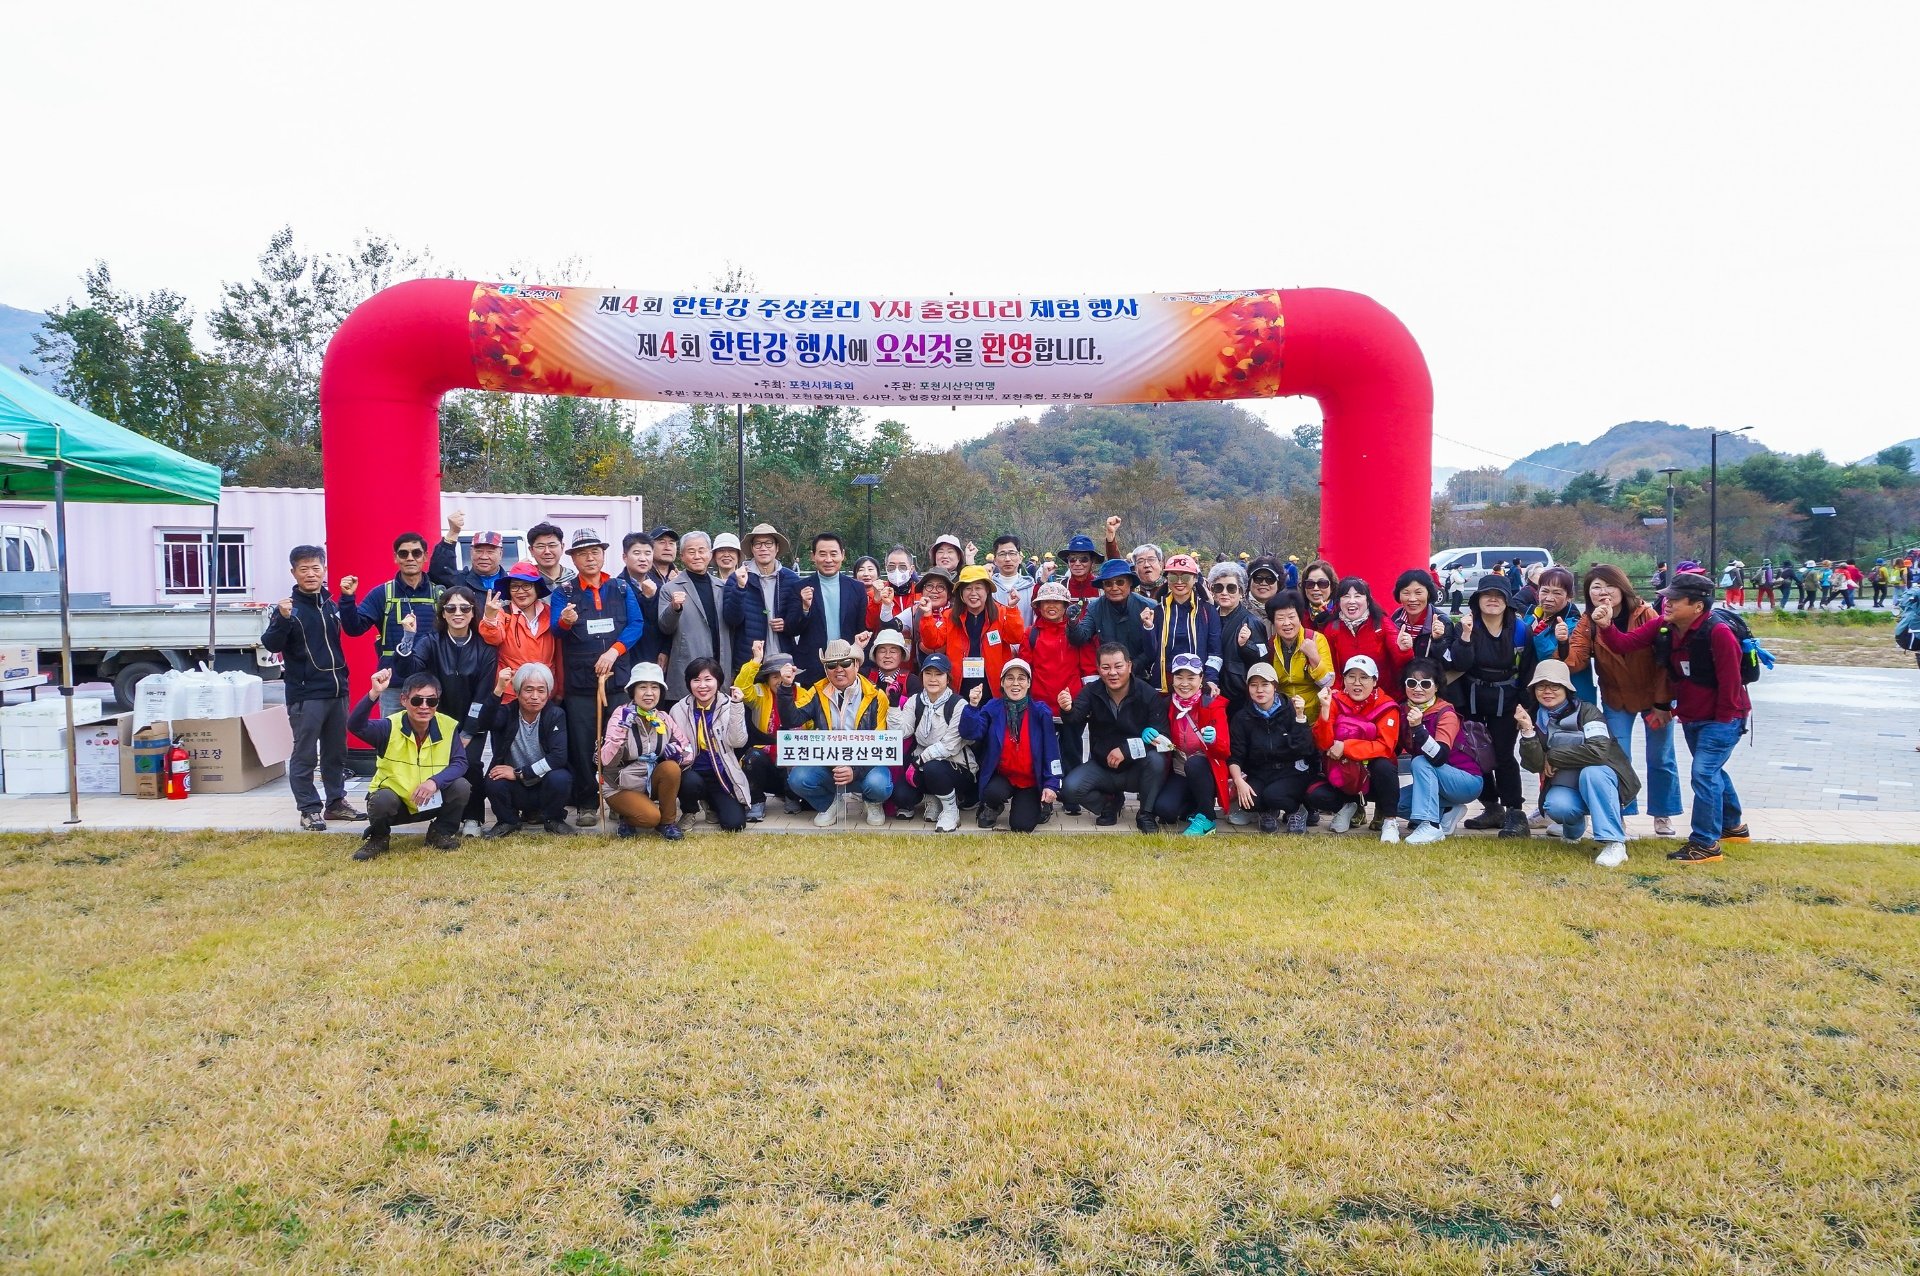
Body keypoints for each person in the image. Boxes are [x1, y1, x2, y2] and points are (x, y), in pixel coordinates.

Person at [1593, 571, 1751, 863]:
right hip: (1692, 717)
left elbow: (1730, 684)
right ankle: (1733, 826)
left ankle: (1705, 843)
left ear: (1698, 606)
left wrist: (1722, 724)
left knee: (1704, 774)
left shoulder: (1719, 633)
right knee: (1712, 772)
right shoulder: (1665, 626)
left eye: (1675, 600)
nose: (1666, 603)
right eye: (1667, 597)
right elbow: (1624, 644)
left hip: (1722, 718)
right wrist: (1605, 626)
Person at [1567, 564, 1682, 837]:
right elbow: (1575, 661)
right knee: (1619, 757)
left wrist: (1663, 703)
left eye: (1610, 585)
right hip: (1616, 695)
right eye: (1596, 587)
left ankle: (1663, 813)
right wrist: (1560, 645)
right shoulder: (1588, 622)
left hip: (1655, 696)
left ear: (1623, 588)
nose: (1603, 592)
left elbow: (1664, 662)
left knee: (1661, 756)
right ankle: (1622, 812)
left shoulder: (1645, 614)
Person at [262, 544, 360, 833]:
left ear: (324, 570)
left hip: (337, 690)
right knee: (305, 754)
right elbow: (271, 644)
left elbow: (350, 631)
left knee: (336, 753)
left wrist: (347, 598)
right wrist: (282, 619)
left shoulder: (330, 604)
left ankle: (336, 802)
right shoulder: (287, 608)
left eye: (316, 568)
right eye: (303, 569)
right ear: (293, 573)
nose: (310, 574)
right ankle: (309, 809)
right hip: (306, 694)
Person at [553, 528, 643, 827]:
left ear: (603, 555)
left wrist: (614, 651)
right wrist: (565, 621)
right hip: (580, 684)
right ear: (573, 558)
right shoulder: (564, 592)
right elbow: (555, 630)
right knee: (582, 745)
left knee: (619, 741)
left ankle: (619, 800)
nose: (589, 558)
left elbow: (636, 624)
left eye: (595, 552)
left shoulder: (621, 588)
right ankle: (587, 803)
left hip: (617, 680)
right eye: (582, 553)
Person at [391, 586, 498, 836]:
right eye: (451, 608)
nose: (457, 613)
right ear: (443, 613)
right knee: (438, 766)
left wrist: (468, 731)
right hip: (436, 719)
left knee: (471, 763)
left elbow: (483, 694)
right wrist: (408, 636)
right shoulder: (431, 642)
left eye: (464, 608)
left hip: (473, 720)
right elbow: (408, 671)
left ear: (473, 613)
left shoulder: (485, 647)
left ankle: (473, 818)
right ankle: (443, 816)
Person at [1516, 659, 1637, 867]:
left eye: (1555, 686)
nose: (1548, 691)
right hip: (1566, 785)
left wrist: (1553, 756)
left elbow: (1598, 751)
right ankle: (1573, 829)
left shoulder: (1588, 712)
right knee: (1556, 806)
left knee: (1593, 773)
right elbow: (1533, 765)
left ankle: (1615, 843)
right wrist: (1527, 731)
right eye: (1541, 686)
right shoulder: (1534, 717)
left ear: (1567, 689)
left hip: (1603, 780)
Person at [347, 669, 474, 860]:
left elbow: (460, 762)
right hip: (396, 805)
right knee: (382, 800)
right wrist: (374, 693)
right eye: (417, 700)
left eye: (431, 701)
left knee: (461, 786)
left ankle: (440, 833)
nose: (424, 706)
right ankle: (379, 838)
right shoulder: (389, 727)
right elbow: (355, 725)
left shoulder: (448, 726)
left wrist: (434, 782)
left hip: (429, 800)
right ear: (403, 700)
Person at [1444, 573, 1533, 838]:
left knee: (1504, 755)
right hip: (1471, 699)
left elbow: (1528, 670)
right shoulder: (1466, 626)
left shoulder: (1520, 630)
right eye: (1487, 595)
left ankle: (1515, 812)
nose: (1492, 600)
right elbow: (1459, 663)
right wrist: (1466, 635)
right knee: (1476, 754)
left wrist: (1525, 706)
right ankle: (1492, 807)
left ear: (1507, 601)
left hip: (1507, 700)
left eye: (1499, 596)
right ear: (1477, 599)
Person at [1058, 642, 1169, 832]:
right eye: (1106, 667)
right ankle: (1109, 804)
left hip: (1137, 768)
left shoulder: (1148, 693)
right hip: (1104, 767)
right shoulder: (1091, 691)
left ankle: (1146, 814)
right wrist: (1067, 709)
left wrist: (1126, 750)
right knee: (1070, 789)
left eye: (1118, 666)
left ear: (1129, 666)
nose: (1112, 673)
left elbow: (1163, 737)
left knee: (1157, 760)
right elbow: (1074, 718)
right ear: (1098, 669)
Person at [787, 637, 894, 826]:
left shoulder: (877, 696)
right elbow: (792, 719)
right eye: (831, 665)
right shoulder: (816, 691)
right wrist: (785, 688)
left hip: (866, 765)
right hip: (830, 765)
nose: (838, 669)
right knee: (797, 778)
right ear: (825, 669)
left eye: (845, 663)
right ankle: (831, 804)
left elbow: (881, 744)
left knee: (879, 785)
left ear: (857, 665)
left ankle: (872, 802)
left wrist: (855, 770)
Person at [340, 530, 441, 715]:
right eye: (403, 553)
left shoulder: (440, 594)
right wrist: (347, 598)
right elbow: (354, 629)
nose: (410, 558)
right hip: (393, 684)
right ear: (396, 558)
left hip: (431, 683)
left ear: (425, 557)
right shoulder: (382, 594)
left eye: (416, 553)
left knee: (431, 733)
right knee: (392, 733)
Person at [964, 658, 1064, 832]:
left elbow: (1052, 752)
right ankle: (992, 806)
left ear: (1029, 683)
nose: (1015, 683)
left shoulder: (1041, 712)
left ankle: (1042, 804)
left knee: (1021, 826)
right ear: (1002, 682)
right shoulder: (992, 707)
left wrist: (1052, 784)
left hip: (1030, 779)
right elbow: (970, 733)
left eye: (1021, 678)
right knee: (992, 792)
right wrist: (973, 706)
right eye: (1010, 678)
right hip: (1003, 776)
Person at [1390, 657, 1483, 844]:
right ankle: (1447, 812)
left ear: (1436, 687)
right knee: (1394, 803)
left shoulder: (1445, 713)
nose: (1418, 689)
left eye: (1425, 683)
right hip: (1434, 782)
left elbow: (1439, 757)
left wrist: (1418, 728)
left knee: (1420, 761)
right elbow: (1394, 748)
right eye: (1412, 683)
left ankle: (1430, 826)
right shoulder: (1401, 711)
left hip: (1465, 781)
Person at [1306, 655, 1402, 834]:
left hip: (1373, 776)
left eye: (1364, 677)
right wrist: (1325, 712)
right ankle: (1351, 806)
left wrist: (1346, 747)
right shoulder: (1334, 700)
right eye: (1351, 677)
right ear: (1344, 679)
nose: (1357, 683)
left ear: (1375, 681)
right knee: (1315, 794)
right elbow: (1324, 744)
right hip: (1343, 773)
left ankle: (1388, 817)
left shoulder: (1387, 706)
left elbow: (1385, 746)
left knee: (1384, 766)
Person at [478, 662, 572, 838]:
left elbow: (558, 757)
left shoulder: (555, 714)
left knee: (561, 777)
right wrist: (499, 689)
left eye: (541, 690)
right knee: (494, 778)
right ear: (517, 692)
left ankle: (554, 820)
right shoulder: (507, 712)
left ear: (548, 693)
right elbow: (483, 722)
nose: (535, 696)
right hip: (515, 787)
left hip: (543, 783)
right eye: (528, 690)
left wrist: (520, 773)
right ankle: (507, 821)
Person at [1224, 662, 1320, 833]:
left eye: (1265, 684)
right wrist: (1239, 781)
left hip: (1291, 771)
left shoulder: (1291, 709)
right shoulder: (1242, 717)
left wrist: (1300, 716)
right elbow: (1236, 755)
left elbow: (1304, 748)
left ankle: (1297, 810)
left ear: (1275, 686)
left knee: (1274, 796)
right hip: (1260, 772)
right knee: (1248, 801)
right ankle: (1267, 811)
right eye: (1254, 685)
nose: (1259, 690)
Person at [891, 654, 981, 831]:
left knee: (933, 768)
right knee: (901, 796)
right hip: (921, 764)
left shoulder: (959, 704)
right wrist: (893, 706)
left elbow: (950, 746)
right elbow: (901, 732)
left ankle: (950, 811)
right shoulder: (915, 701)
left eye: (939, 674)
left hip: (955, 765)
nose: (933, 679)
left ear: (948, 678)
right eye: (928, 673)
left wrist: (920, 760)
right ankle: (933, 798)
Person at [599, 661, 687, 840]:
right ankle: (627, 817)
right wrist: (622, 730)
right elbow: (606, 760)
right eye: (642, 687)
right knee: (650, 818)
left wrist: (678, 753)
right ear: (633, 691)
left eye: (654, 687)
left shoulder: (663, 717)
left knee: (671, 768)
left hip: (649, 781)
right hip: (620, 784)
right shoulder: (620, 714)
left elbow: (687, 749)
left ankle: (667, 823)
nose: (649, 693)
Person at [666, 656, 752, 832]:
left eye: (708, 679)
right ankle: (689, 810)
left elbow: (738, 742)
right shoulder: (679, 709)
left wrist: (737, 706)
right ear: (689, 683)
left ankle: (711, 804)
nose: (702, 686)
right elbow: (674, 746)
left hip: (721, 774)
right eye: (696, 680)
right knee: (686, 779)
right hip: (692, 772)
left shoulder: (729, 705)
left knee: (735, 825)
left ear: (718, 681)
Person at [1150, 653, 1233, 836]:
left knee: (1194, 764)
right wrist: (1150, 734)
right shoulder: (1166, 704)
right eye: (1179, 677)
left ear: (1201, 679)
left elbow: (1225, 751)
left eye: (1191, 678)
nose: (1184, 683)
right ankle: (1193, 807)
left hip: (1205, 770)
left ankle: (1207, 818)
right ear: (1172, 679)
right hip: (1180, 769)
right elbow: (1160, 733)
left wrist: (1214, 741)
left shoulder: (1213, 705)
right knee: (1165, 811)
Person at [920, 564, 1026, 703]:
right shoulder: (949, 616)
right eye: (968, 588)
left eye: (978, 588)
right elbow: (932, 642)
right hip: (960, 688)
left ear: (987, 590)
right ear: (961, 593)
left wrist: (1012, 609)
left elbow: (1016, 638)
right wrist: (927, 615)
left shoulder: (1001, 613)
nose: (973, 593)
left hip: (994, 689)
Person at [733, 642, 812, 820]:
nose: (780, 680)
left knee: (798, 755)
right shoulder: (760, 693)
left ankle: (792, 796)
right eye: (775, 676)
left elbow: (812, 726)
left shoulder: (804, 694)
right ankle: (756, 801)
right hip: (766, 758)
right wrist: (756, 660)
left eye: (784, 675)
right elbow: (741, 687)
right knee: (752, 757)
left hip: (794, 758)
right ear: (767, 679)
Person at [658, 530, 734, 698]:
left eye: (701, 550)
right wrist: (674, 608)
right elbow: (665, 627)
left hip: (720, 666)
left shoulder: (722, 587)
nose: (697, 556)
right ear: (682, 556)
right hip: (688, 666)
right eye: (691, 552)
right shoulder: (670, 588)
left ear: (710, 554)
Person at [478, 563, 562, 703]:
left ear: (537, 588)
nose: (520, 591)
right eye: (514, 586)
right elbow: (493, 638)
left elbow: (559, 655)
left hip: (544, 692)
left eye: (526, 585)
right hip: (511, 693)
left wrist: (560, 690)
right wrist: (489, 617)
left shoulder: (550, 612)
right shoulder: (503, 613)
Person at [795, 532, 870, 684]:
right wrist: (804, 608)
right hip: (812, 666)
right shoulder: (800, 587)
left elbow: (862, 629)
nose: (828, 559)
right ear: (813, 556)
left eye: (834, 554)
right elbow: (792, 629)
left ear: (843, 555)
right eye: (822, 554)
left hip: (848, 665)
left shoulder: (857, 588)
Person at [726, 522, 804, 668]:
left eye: (768, 543)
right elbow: (732, 620)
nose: (763, 548)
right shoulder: (737, 577)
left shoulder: (791, 579)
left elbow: (800, 622)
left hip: (784, 658)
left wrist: (787, 624)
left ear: (777, 547)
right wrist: (740, 587)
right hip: (750, 659)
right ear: (752, 548)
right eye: (758, 544)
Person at [1147, 554, 1221, 694]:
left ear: (1195, 579)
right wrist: (1148, 628)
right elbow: (1150, 653)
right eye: (1173, 577)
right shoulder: (1157, 612)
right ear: (1167, 580)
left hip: (1197, 683)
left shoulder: (1208, 611)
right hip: (1164, 684)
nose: (1179, 582)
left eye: (1186, 577)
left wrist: (1211, 679)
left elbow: (1215, 652)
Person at [1070, 559, 1158, 673]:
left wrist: (1132, 667)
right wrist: (1073, 622)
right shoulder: (1095, 608)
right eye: (1108, 583)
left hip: (1144, 673)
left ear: (1130, 583)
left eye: (1120, 582)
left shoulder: (1149, 606)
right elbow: (1080, 637)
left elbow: (1156, 645)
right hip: (1110, 673)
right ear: (1103, 587)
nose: (1114, 588)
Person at [1262, 589, 1336, 725]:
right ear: (1273, 622)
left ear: (1300, 617)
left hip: (1313, 718)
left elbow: (1328, 682)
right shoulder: (1271, 645)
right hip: (1283, 718)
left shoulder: (1316, 639)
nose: (1286, 623)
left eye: (1291, 617)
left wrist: (1314, 657)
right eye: (1280, 618)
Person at [1322, 576, 1396, 701]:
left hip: (1382, 698)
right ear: (1339, 602)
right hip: (1347, 698)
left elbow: (1399, 662)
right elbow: (1331, 668)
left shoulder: (1382, 624)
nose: (1351, 601)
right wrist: (1337, 694)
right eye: (1346, 596)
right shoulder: (1332, 629)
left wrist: (1404, 650)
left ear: (1368, 601)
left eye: (1357, 596)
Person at [1209, 561, 1270, 713]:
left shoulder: (1252, 622)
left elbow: (1263, 660)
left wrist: (1246, 645)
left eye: (1231, 588)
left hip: (1239, 698)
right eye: (1219, 588)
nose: (1224, 593)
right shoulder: (1207, 618)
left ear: (1241, 592)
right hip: (1211, 693)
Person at [1386, 569, 1453, 687]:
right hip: (1403, 686)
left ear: (1429, 593)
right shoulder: (1395, 619)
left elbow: (1449, 664)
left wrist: (1438, 641)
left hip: (1430, 689)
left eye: (1418, 593)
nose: (1412, 599)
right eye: (1406, 593)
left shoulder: (1442, 622)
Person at [428, 510, 509, 601]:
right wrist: (453, 533)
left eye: (490, 552)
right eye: (478, 551)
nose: (484, 557)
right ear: (471, 552)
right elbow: (440, 572)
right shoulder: (459, 583)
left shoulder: (511, 585)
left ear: (501, 554)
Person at [618, 532, 667, 666]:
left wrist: (665, 650)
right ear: (625, 557)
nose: (643, 558)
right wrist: (645, 598)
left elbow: (667, 623)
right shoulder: (617, 587)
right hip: (628, 658)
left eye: (647, 553)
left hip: (658, 659)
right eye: (637, 553)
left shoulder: (661, 587)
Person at [1040, 534, 1104, 604]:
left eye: (1084, 559)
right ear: (1068, 562)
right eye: (1072, 559)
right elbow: (1038, 607)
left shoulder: (1103, 587)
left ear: (1092, 562)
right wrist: (1043, 579)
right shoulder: (1060, 587)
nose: (1077, 563)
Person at [988, 534, 1035, 626]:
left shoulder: (1032, 589)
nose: (1007, 559)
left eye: (1012, 553)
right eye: (1002, 554)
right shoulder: (988, 589)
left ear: (1020, 558)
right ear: (995, 560)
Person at [527, 521, 578, 592]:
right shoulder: (526, 582)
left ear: (562, 547)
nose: (547, 551)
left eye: (552, 545)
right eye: (541, 546)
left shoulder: (575, 580)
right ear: (531, 550)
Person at [1298, 559, 1338, 629]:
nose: (1315, 588)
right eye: (1310, 584)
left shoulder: (1342, 613)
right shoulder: (1297, 615)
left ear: (1332, 587)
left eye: (1322, 583)